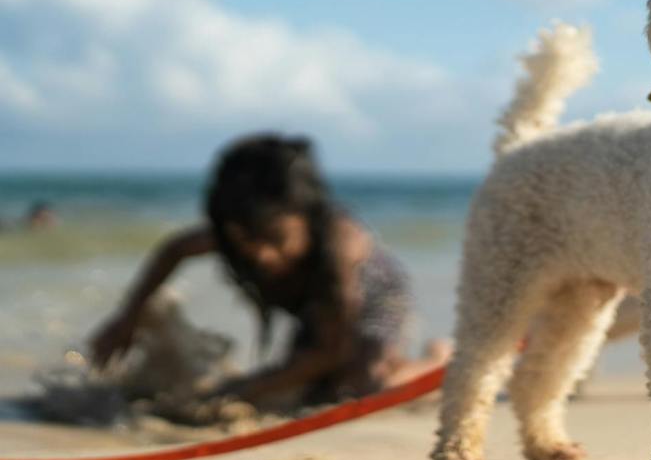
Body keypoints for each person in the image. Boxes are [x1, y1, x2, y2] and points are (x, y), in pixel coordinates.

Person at [90, 134, 449, 409]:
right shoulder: (236, 231)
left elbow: (332, 351)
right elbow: (174, 249)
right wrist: (126, 319)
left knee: (364, 386)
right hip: (316, 313)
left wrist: (240, 390)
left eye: (276, 239)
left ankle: (438, 361)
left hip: (371, 300)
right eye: (247, 240)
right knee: (306, 394)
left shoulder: (341, 245)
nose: (262, 254)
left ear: (307, 218)